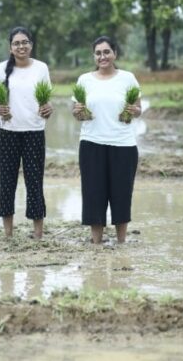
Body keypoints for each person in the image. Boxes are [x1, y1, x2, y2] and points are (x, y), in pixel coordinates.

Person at [72, 36, 141, 244]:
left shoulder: (128, 78)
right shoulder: (84, 80)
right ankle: (96, 243)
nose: (103, 56)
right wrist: (78, 112)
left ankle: (121, 242)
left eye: (106, 52)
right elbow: (76, 112)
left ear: (115, 54)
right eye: (98, 53)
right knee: (94, 194)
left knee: (121, 194)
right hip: (92, 144)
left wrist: (134, 110)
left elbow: (138, 109)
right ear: (94, 56)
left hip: (123, 145)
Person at [0, 27, 53, 239]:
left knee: (35, 182)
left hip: (34, 131)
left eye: (25, 42)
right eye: (16, 43)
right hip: (7, 132)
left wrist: (48, 108)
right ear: (10, 48)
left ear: (31, 45)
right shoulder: (1, 69)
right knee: (7, 182)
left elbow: (46, 100)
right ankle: (8, 234)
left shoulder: (41, 68)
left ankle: (38, 234)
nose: (21, 46)